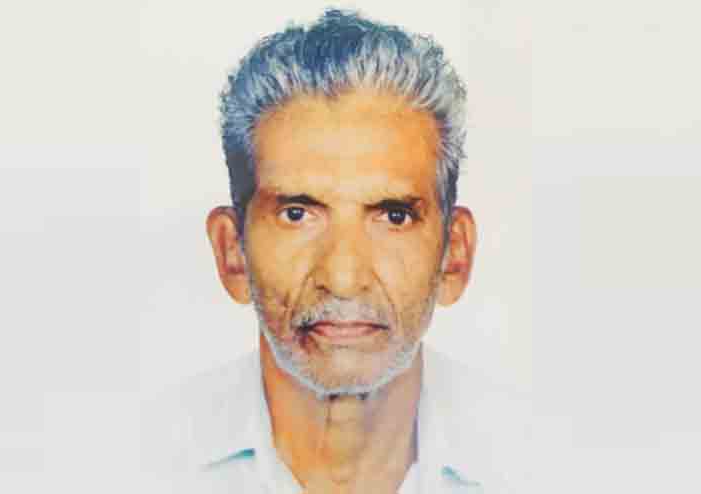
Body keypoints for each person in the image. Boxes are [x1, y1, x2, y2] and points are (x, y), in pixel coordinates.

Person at [142, 9, 528, 494]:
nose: (344, 278)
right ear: (231, 252)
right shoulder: (134, 466)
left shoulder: (547, 467)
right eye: (297, 214)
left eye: (393, 216)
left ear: (454, 255)